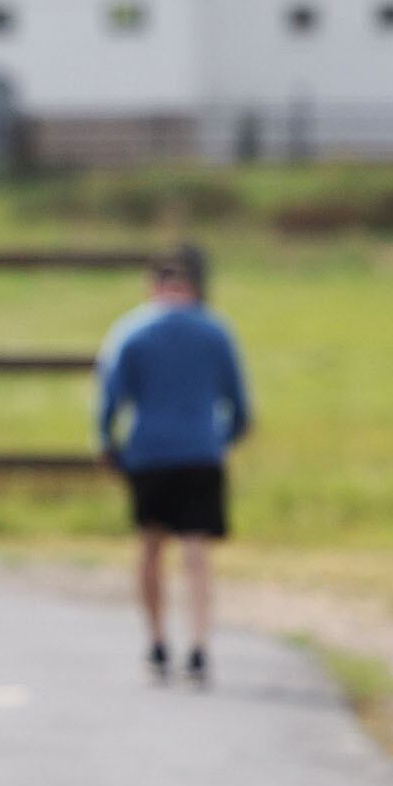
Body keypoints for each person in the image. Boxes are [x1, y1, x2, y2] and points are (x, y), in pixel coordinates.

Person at [94, 244, 250, 680]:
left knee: (150, 547)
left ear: (154, 285)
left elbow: (109, 397)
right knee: (196, 551)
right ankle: (199, 644)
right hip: (201, 450)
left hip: (149, 451)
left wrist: (107, 442)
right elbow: (238, 404)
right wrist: (221, 439)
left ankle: (157, 641)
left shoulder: (131, 331)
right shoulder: (215, 331)